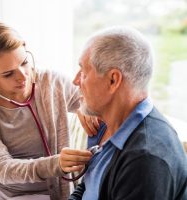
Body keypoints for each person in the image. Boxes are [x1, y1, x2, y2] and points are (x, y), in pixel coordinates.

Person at [0, 20, 98, 200]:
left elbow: (95, 101)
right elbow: (2, 168)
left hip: (44, 192)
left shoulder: (53, 83)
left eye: (24, 62)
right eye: (8, 74)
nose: (23, 76)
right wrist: (55, 164)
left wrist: (87, 106)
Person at [69, 27, 187, 200]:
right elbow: (88, 187)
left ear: (113, 80)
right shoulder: (105, 125)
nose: (76, 80)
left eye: (84, 72)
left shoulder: (145, 161)